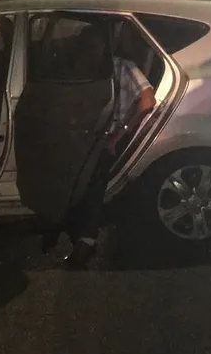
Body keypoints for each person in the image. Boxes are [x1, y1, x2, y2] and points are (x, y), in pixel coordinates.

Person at [46, 24, 158, 270]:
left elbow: (147, 101)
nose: (89, 52)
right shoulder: (82, 71)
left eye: (94, 46)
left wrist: (120, 134)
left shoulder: (123, 67)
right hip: (84, 136)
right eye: (84, 47)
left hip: (109, 137)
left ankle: (85, 241)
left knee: (91, 184)